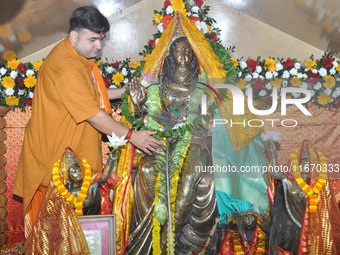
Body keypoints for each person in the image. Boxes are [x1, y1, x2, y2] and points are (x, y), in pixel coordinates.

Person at [12, 5, 162, 239]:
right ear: (74, 36)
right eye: (92, 39)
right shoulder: (66, 68)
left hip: (71, 156)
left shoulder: (76, 57)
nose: (98, 46)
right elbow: (94, 114)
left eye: (101, 39)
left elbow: (92, 94)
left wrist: (127, 90)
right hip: (59, 164)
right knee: (60, 238)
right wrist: (133, 136)